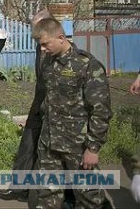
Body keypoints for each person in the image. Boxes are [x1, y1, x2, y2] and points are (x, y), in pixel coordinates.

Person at [33, 18, 112, 208]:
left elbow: (101, 110)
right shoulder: (48, 64)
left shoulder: (87, 65)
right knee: (47, 195)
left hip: (78, 145)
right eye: (40, 45)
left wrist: (93, 148)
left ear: (61, 37)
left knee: (88, 197)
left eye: (45, 44)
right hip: (49, 142)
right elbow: (47, 99)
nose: (42, 49)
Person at [0, 9, 54, 203]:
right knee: (27, 146)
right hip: (38, 105)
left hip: (53, 111)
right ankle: (19, 189)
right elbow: (41, 84)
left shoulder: (56, 50)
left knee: (46, 153)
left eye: (36, 27)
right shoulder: (40, 47)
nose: (33, 32)